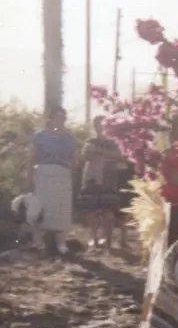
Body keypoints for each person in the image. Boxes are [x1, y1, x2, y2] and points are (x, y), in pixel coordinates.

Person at [28, 106, 79, 256]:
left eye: (63, 118)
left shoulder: (70, 138)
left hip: (62, 173)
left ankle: (61, 244)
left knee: (61, 208)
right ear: (50, 119)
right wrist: (29, 177)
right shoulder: (40, 136)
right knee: (41, 207)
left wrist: (76, 161)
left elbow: (75, 160)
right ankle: (37, 242)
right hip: (43, 172)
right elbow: (31, 158)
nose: (61, 121)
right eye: (58, 117)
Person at [78, 116, 123, 249]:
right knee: (92, 211)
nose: (99, 127)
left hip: (109, 178)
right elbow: (85, 157)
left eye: (102, 124)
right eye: (96, 124)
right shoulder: (90, 141)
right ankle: (94, 239)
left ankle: (108, 240)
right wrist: (94, 153)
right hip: (92, 179)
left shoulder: (113, 141)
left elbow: (118, 155)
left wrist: (100, 151)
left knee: (108, 211)